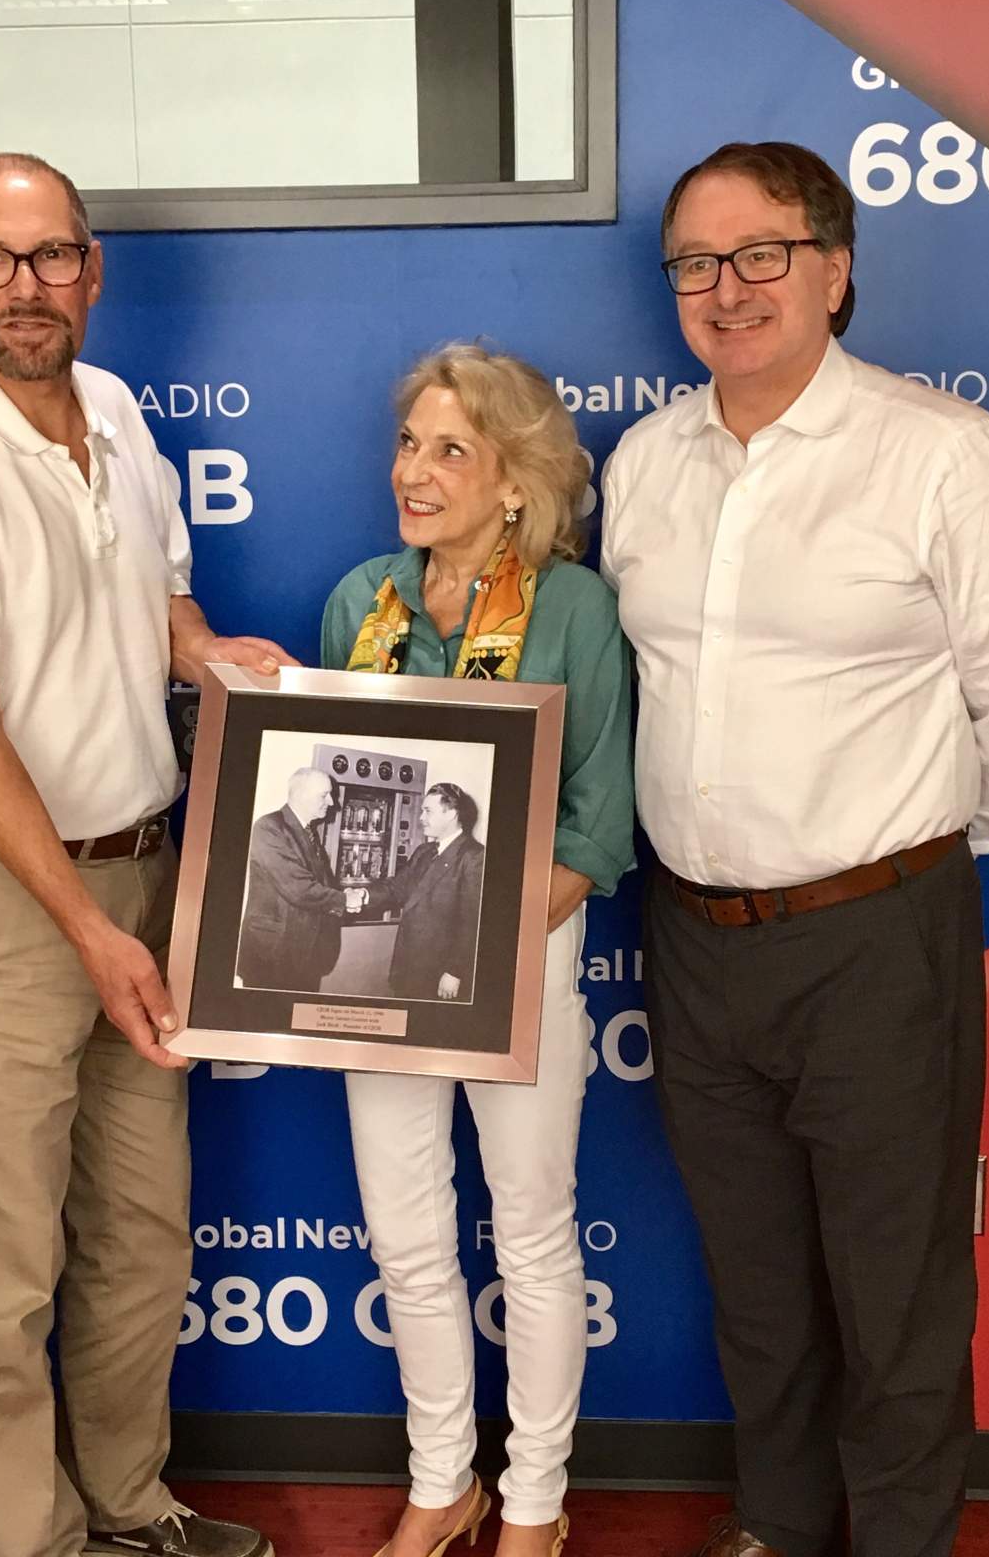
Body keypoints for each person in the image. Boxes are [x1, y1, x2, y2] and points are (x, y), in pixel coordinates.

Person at [0, 152, 294, 1557]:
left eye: (52, 257)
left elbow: (157, 589)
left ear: (91, 269)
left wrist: (209, 655)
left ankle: (131, 1507)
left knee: (142, 1238)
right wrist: (92, 937)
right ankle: (35, 1542)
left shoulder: (109, 407)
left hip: (139, 878)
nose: (26, 288)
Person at [600, 141, 989, 1557]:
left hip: (878, 939)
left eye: (761, 253)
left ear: (835, 269)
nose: (728, 289)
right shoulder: (647, 462)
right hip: (693, 939)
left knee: (898, 1288)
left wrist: (909, 856)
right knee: (759, 1283)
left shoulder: (940, 454)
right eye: (696, 264)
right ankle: (778, 1527)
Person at [321, 344, 635, 1557]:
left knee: (531, 1231)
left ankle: (537, 1506)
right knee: (404, 1232)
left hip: (521, 960)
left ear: (516, 482)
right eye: (410, 443)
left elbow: (599, 818)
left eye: (452, 449)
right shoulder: (363, 604)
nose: (417, 469)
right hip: (374, 969)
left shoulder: (574, 609)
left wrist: (480, 948)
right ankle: (441, 1480)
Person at [359, 781, 485, 1001]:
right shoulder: (424, 851)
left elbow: (473, 921)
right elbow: (396, 888)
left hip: (439, 973)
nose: (421, 818)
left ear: (452, 813)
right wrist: (363, 895)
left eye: (428, 811)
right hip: (409, 965)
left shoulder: (474, 857)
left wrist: (455, 971)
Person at [237, 766, 357, 991]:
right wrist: (344, 900)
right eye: (324, 795)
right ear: (301, 794)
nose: (331, 802)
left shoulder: (308, 832)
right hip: (273, 956)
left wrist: (348, 897)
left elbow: (322, 883)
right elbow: (298, 888)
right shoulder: (269, 827)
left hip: (306, 954)